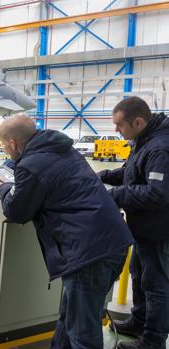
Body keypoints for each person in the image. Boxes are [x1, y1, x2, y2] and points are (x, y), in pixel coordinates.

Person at [0, 114, 133, 349]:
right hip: (110, 243)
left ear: (14, 144)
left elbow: (18, 212)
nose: (5, 150)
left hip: (89, 253)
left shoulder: (30, 165)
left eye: (4, 145)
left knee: (83, 332)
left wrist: (6, 187)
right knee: (70, 317)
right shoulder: (61, 149)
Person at [99, 97, 169, 349]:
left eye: (120, 125)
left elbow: (157, 194)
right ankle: (139, 321)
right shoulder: (145, 139)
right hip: (144, 228)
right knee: (139, 276)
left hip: (159, 231)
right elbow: (131, 171)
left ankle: (153, 341)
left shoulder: (160, 147)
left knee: (156, 286)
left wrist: (113, 194)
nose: (116, 131)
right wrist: (101, 177)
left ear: (138, 121)